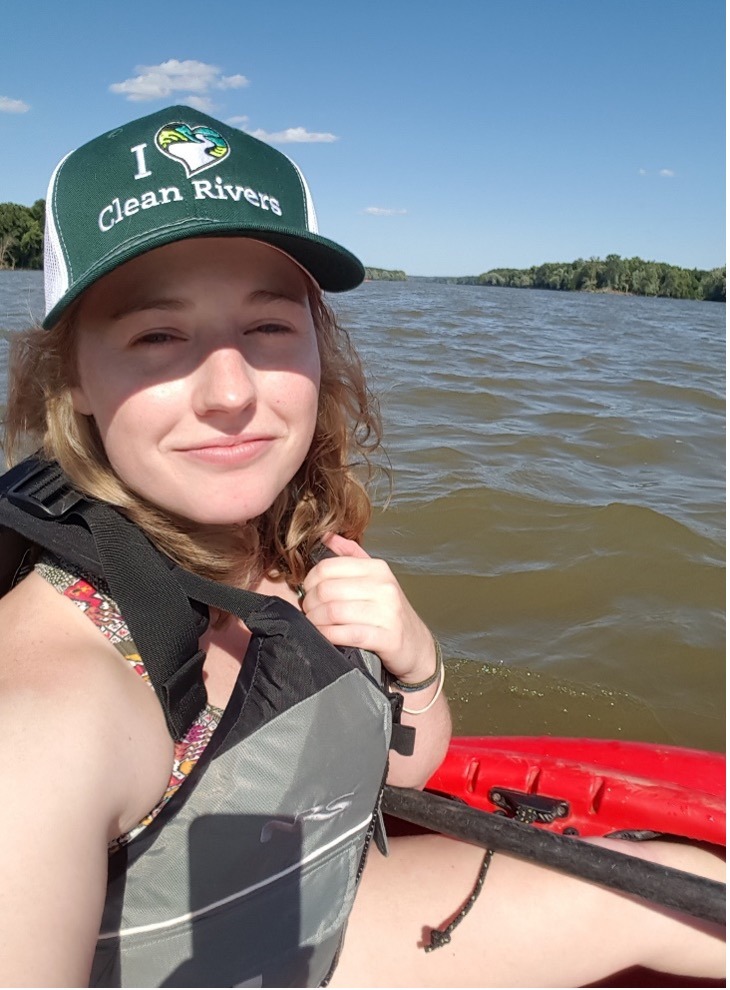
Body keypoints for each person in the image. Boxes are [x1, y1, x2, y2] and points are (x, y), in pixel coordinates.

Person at [0, 105, 723, 989]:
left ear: (316, 347)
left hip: (323, 916)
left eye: (267, 327)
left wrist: (416, 665)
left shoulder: (290, 543)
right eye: (158, 336)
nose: (231, 391)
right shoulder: (49, 709)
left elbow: (398, 770)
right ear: (70, 376)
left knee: (686, 889)